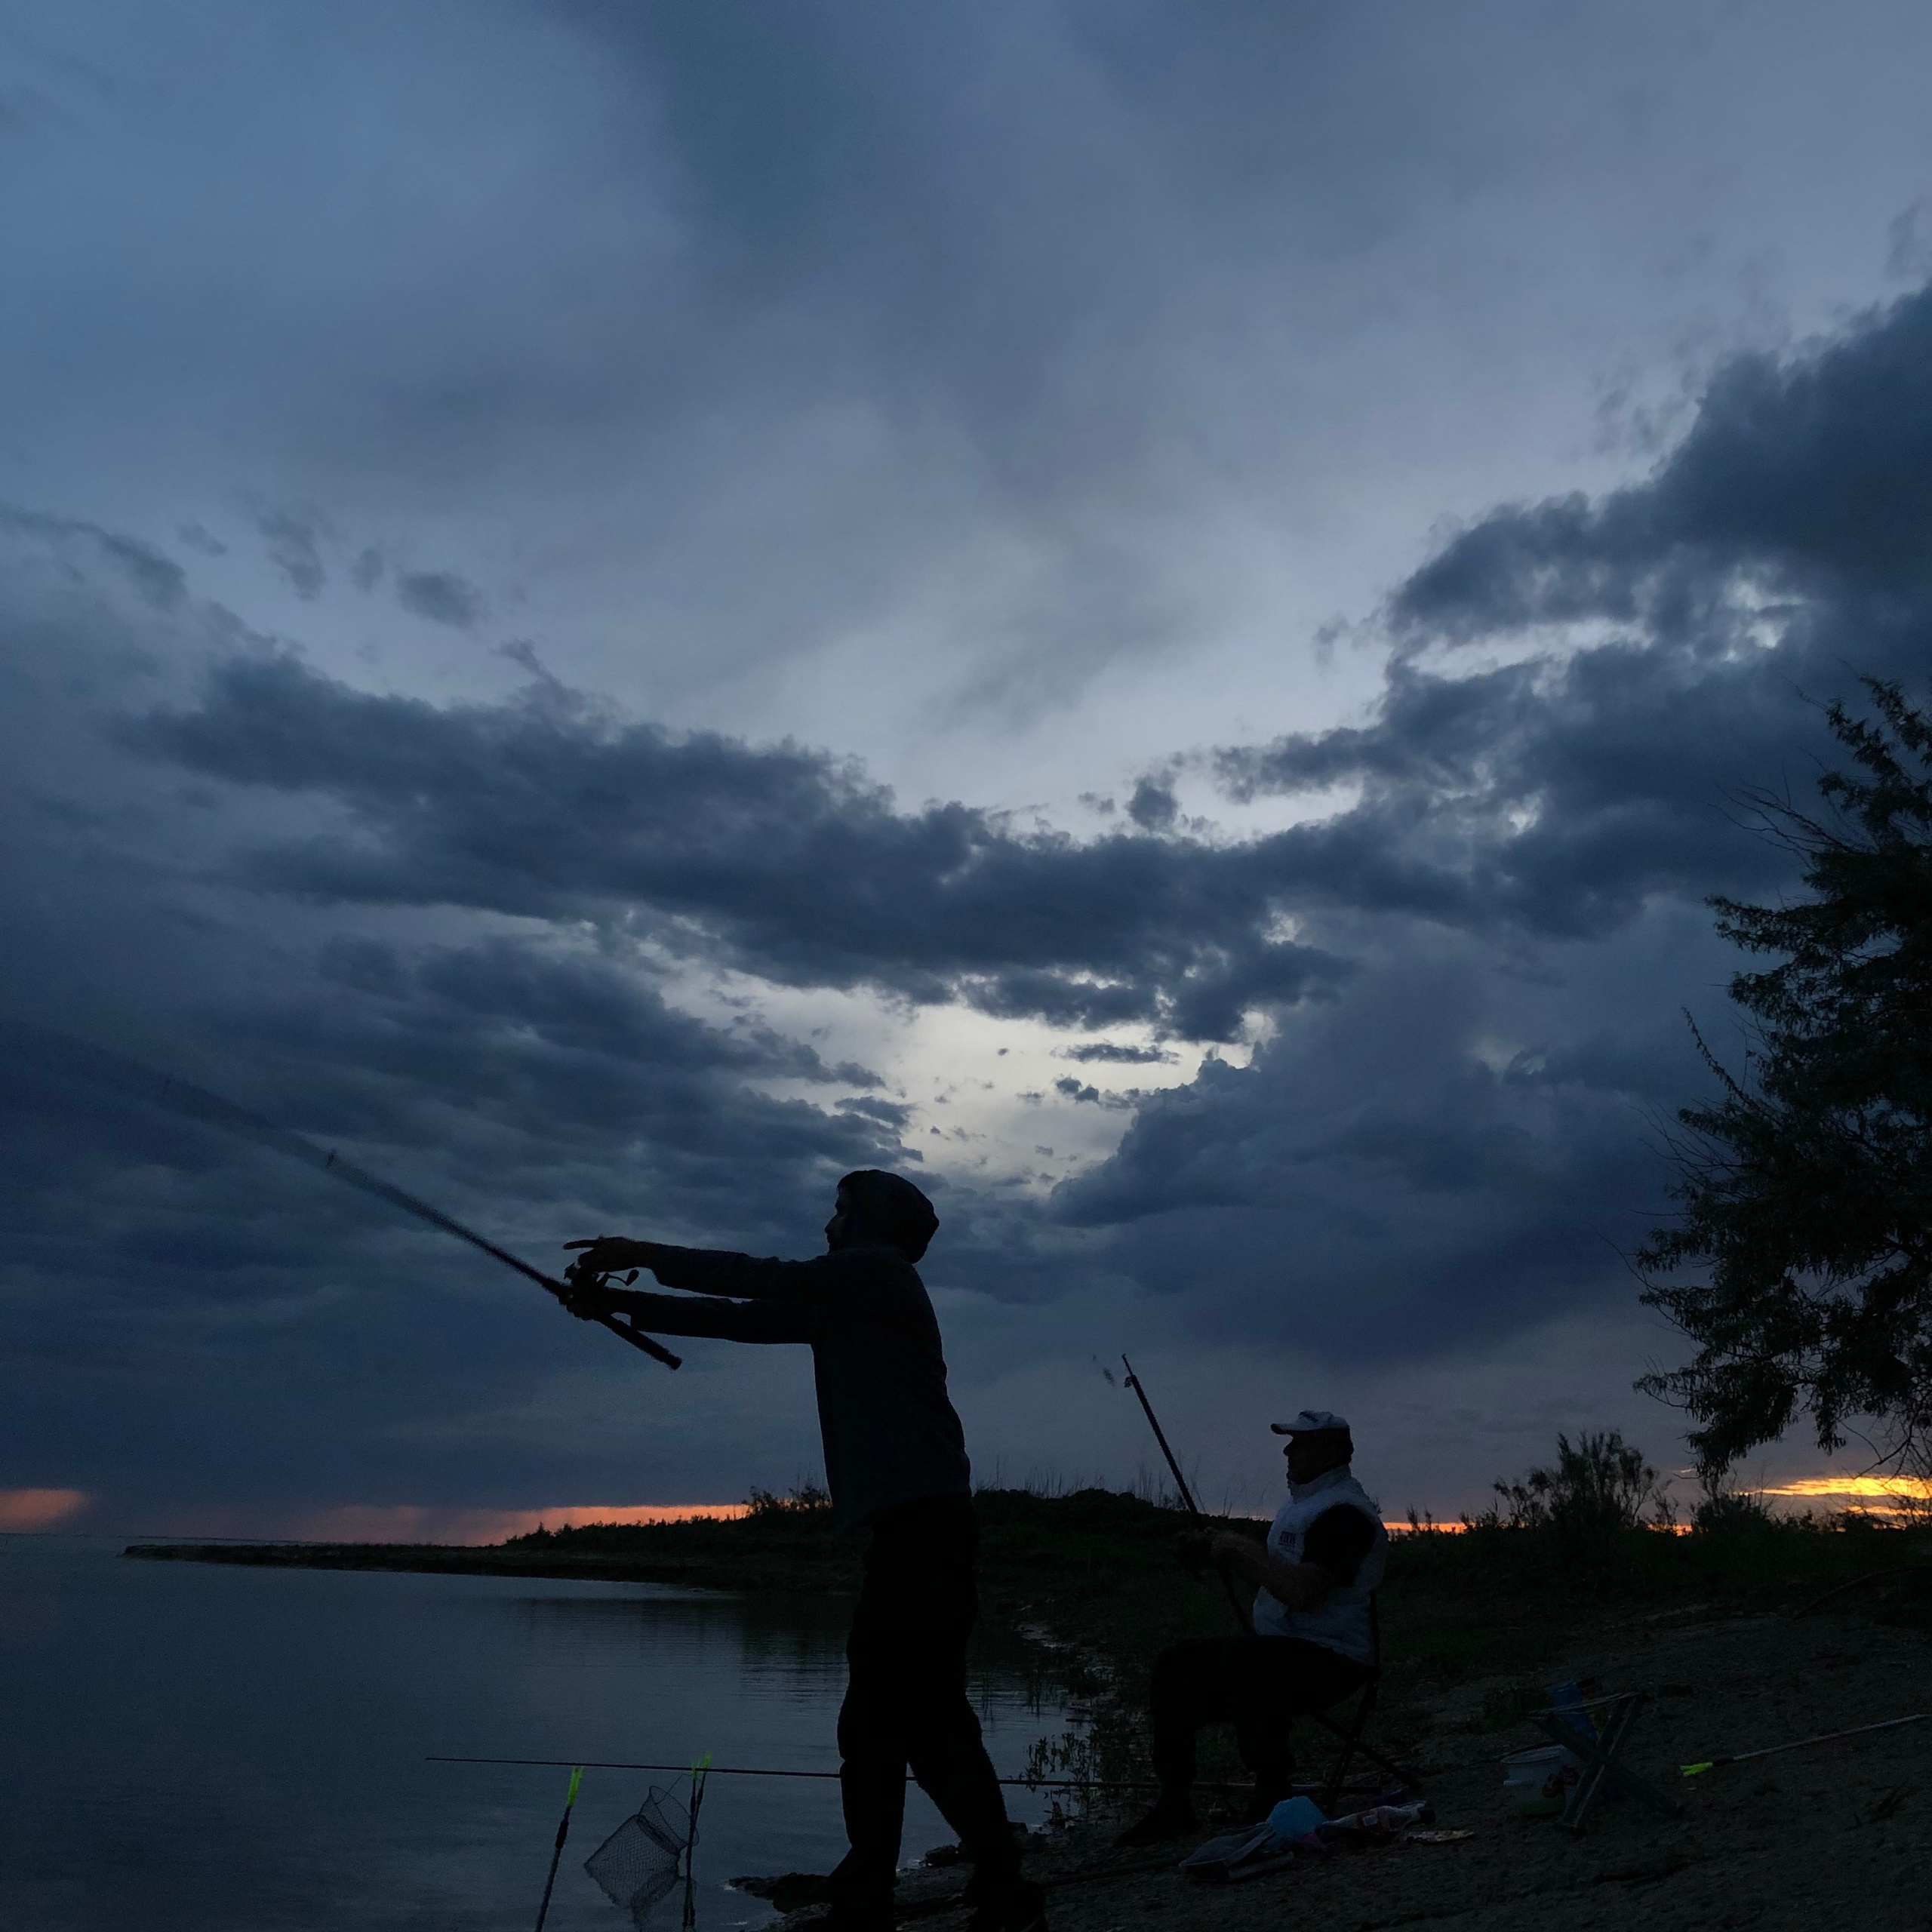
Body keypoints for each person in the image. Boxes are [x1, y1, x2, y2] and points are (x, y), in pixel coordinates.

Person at [558, 1170, 1045, 1932]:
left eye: (839, 1211)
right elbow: (737, 1317)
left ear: (869, 1223)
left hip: (924, 1532)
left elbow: (758, 1278)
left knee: (921, 1721)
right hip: (909, 1533)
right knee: (883, 1725)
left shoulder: (874, 1273)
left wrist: (638, 1252)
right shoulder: (845, 1303)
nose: (827, 1223)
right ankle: (887, 1886)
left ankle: (990, 1884)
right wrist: (621, 1302)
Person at [1117, 1409, 1388, 1845]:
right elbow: (1277, 1575)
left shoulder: (1346, 1515)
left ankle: (1272, 1794)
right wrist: (1220, 1551)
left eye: (1298, 1442)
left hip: (1335, 1658)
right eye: (1289, 1441)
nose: (1288, 1450)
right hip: (1283, 1648)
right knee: (1175, 1663)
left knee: (1252, 1663)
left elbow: (1304, 1593)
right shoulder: (1301, 1505)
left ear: (1332, 1451)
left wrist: (1240, 1552)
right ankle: (1174, 1803)